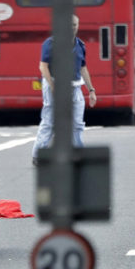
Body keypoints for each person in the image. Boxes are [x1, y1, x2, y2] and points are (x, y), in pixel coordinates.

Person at [32, 14, 97, 166]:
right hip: (54, 83)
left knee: (77, 124)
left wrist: (91, 90)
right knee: (50, 122)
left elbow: (83, 68)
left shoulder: (80, 45)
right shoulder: (51, 43)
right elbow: (43, 67)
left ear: (78, 26)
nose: (72, 28)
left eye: (75, 25)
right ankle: (38, 155)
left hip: (74, 86)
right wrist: (53, 86)